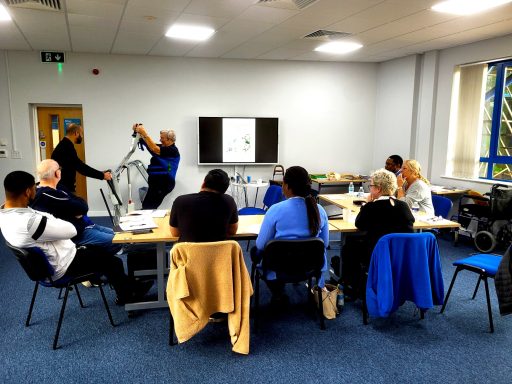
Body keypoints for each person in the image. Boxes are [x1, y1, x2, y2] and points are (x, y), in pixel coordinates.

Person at [0, 170, 149, 305]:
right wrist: (55, 217)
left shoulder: (5, 213)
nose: (36, 191)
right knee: (112, 260)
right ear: (27, 191)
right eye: (34, 188)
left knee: (99, 252)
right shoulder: (31, 222)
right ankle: (127, 295)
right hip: (61, 266)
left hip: (47, 266)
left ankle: (128, 286)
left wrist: (49, 218)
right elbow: (71, 230)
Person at [253, 166, 329, 303]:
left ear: (286, 186)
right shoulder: (319, 210)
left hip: (279, 267)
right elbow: (325, 243)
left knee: (257, 252)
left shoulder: (275, 210)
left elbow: (260, 244)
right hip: (309, 267)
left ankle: (277, 292)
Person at [341, 168, 415, 298]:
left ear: (379, 189)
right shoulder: (403, 206)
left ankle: (352, 286)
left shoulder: (372, 207)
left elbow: (359, 224)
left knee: (349, 246)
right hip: (401, 254)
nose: (370, 189)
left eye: (371, 186)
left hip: (377, 253)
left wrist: (368, 203)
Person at [31, 159, 121, 255]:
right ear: (57, 173)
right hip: (78, 233)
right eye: (59, 169)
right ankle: (95, 259)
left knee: (121, 235)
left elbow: (80, 203)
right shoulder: (47, 194)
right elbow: (82, 207)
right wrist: (76, 209)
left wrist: (76, 209)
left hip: (86, 225)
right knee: (117, 241)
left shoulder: (58, 187)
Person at [170, 169, 238, 242]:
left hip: (188, 253)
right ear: (224, 190)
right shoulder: (229, 201)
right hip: (220, 252)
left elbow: (175, 233)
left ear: (203, 184)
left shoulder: (180, 201)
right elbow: (232, 231)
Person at [51, 123, 112, 193]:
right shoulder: (66, 147)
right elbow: (80, 167)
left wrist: (100, 173)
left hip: (62, 187)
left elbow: (77, 164)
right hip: (63, 189)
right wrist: (102, 176)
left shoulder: (64, 145)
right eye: (81, 133)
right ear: (76, 133)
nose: (82, 136)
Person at [132, 123, 180, 209]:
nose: (160, 140)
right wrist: (137, 132)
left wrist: (144, 133)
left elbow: (154, 148)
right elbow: (150, 145)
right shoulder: (163, 147)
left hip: (163, 183)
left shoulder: (172, 150)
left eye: (162, 138)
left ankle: (147, 221)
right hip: (156, 183)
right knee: (147, 206)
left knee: (148, 207)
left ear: (170, 140)